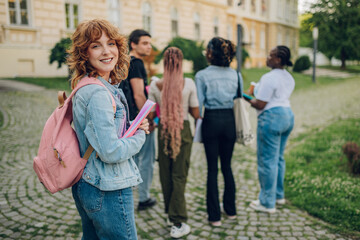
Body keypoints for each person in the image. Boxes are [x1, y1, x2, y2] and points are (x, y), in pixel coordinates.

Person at [67, 19, 149, 239]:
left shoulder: (88, 84)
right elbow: (110, 151)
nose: (106, 51)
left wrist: (132, 126)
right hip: (107, 187)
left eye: (111, 43)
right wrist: (140, 135)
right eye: (96, 45)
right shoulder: (98, 94)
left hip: (89, 182)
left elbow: (101, 134)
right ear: (84, 53)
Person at [148, 47, 200, 238]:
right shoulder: (189, 83)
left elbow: (151, 115)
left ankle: (171, 214)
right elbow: (195, 113)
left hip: (163, 131)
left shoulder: (155, 85)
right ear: (181, 62)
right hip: (182, 129)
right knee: (179, 174)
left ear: (164, 62)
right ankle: (178, 221)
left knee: (165, 172)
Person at [195, 37, 242, 227]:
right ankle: (230, 210)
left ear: (210, 53)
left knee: (212, 169)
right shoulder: (236, 75)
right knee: (227, 166)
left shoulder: (202, 75)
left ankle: (214, 216)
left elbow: (198, 105)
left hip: (211, 121)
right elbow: (238, 99)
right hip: (230, 121)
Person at [247, 45, 295, 213]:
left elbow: (260, 103)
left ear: (278, 60)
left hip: (271, 118)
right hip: (287, 116)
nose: (267, 57)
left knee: (267, 161)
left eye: (270, 55)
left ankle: (267, 203)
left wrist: (245, 97)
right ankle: (278, 196)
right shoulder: (289, 77)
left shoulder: (269, 77)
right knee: (279, 158)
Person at [125, 29, 157, 211]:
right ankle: (143, 198)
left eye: (149, 43)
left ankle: (130, 191)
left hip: (127, 118)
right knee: (147, 159)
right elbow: (138, 94)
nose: (149, 47)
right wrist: (148, 119)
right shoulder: (136, 63)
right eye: (145, 43)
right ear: (133, 45)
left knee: (133, 157)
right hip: (138, 119)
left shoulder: (124, 62)